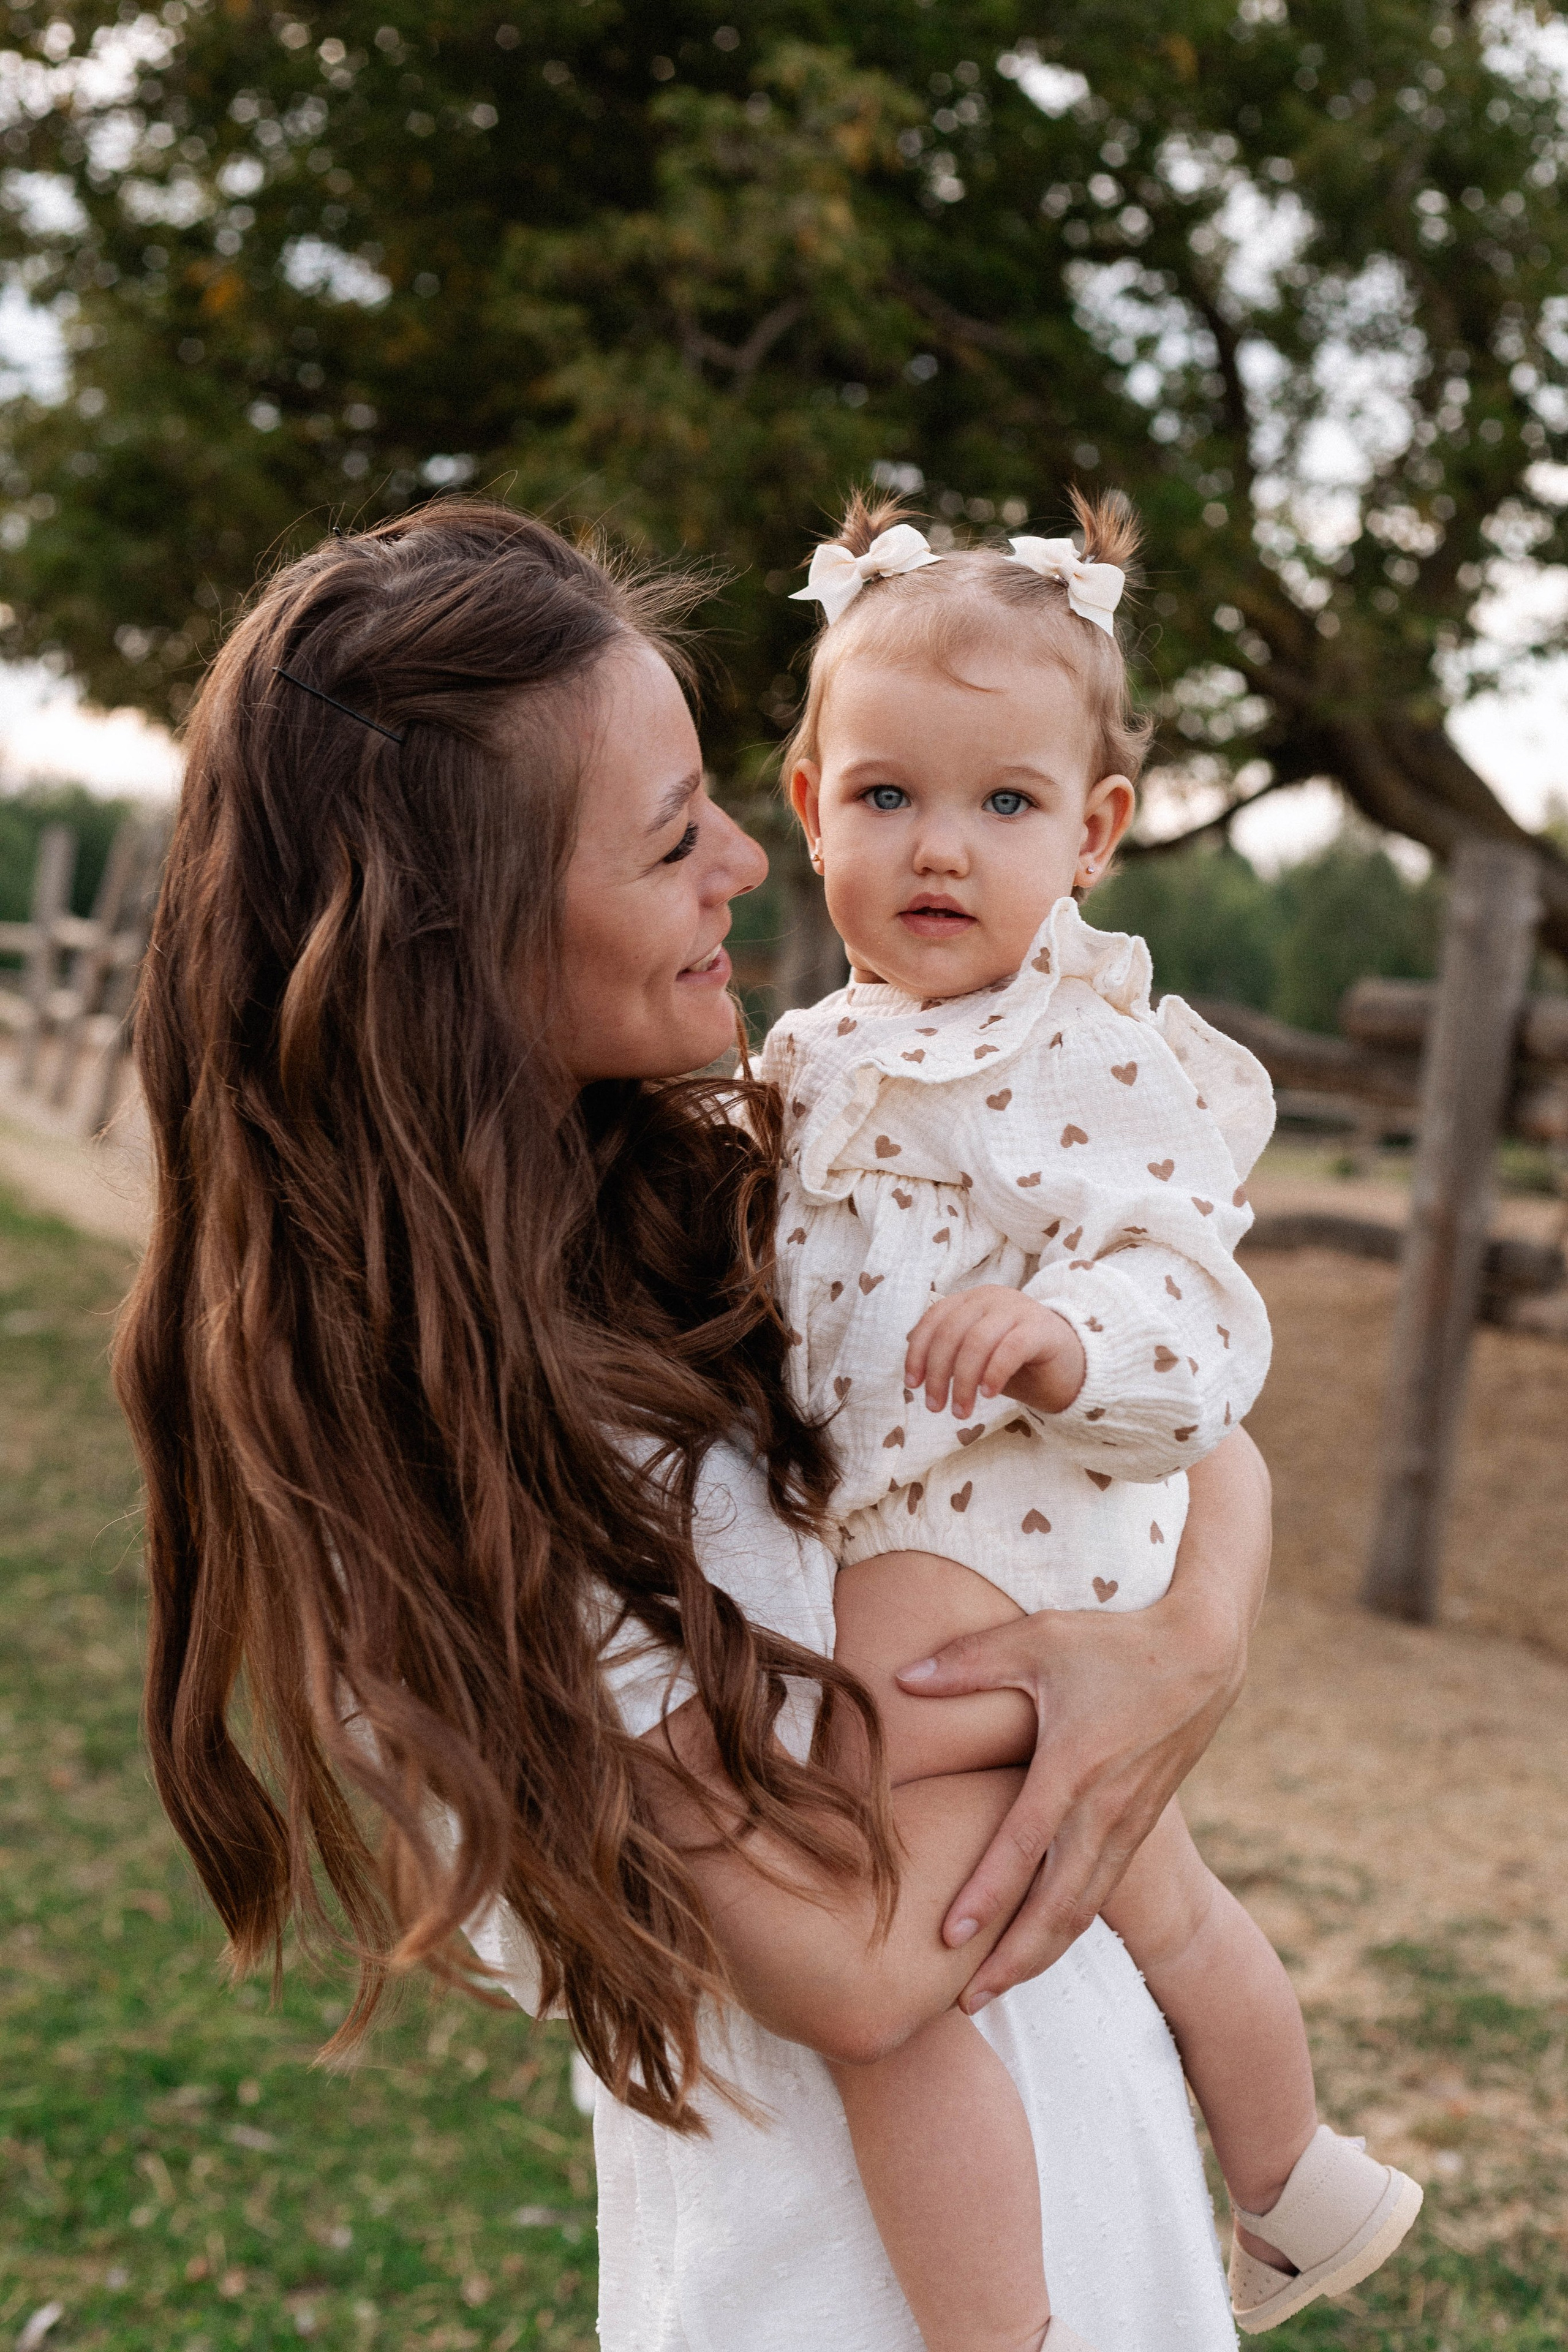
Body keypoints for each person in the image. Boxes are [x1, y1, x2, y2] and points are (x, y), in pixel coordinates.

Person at [115, 500, 1274, 2352]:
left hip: (1087, 2172)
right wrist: (1103, 1689)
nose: (756, 854)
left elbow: (1196, 1430)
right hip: (835, 2284)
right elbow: (856, 1967)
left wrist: (1189, 1642)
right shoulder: (454, 1429)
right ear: (461, 941)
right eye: (674, 839)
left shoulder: (723, 1179)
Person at [726, 488, 1417, 2348]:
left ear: (1096, 833)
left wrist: (1063, 1334)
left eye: (1004, 805)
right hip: (920, 1534)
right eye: (886, 798)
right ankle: (1298, 2184)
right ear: (810, 812)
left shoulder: (1093, 1050)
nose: (939, 848)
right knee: (1147, 1879)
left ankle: (1000, 2332)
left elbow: (1203, 1319)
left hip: (1013, 1525)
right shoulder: (798, 1061)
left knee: (884, 1961)